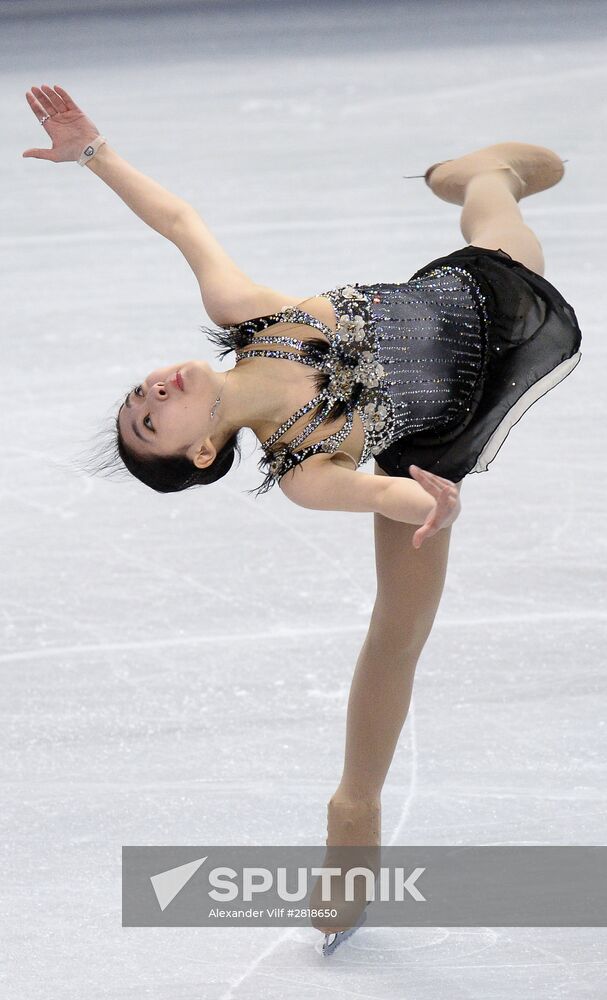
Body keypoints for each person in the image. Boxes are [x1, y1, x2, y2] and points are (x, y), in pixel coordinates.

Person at [23, 85, 582, 947]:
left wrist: (93, 152)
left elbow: (178, 220)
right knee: (396, 631)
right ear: (200, 453)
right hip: (431, 443)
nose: (152, 390)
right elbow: (378, 492)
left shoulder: (248, 316)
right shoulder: (303, 470)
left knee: (502, 236)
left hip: (477, 302)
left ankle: (484, 171)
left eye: (138, 391)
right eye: (148, 420)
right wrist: (421, 500)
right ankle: (354, 805)